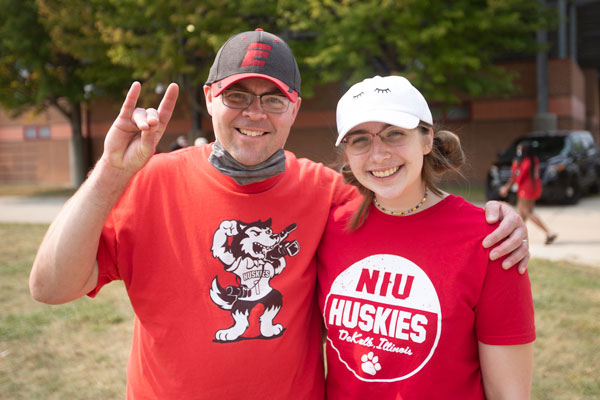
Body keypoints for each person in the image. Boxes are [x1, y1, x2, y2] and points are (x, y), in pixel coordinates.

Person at [29, 29, 530, 399]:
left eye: (273, 99)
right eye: (238, 96)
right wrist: (108, 179)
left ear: (294, 108)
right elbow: (50, 288)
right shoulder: (151, 182)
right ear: (209, 98)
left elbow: (411, 211)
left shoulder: (326, 193)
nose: (255, 113)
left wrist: (498, 218)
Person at [317, 75, 536, 399]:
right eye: (359, 140)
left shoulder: (490, 240)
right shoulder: (329, 228)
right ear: (346, 153)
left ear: (426, 139)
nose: (378, 155)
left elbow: (509, 394)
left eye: (394, 134)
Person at [500, 142, 557, 244]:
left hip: (526, 189)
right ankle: (518, 236)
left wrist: (506, 187)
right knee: (523, 214)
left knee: (526, 212)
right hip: (534, 187)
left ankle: (548, 232)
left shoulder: (524, 162)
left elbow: (517, 176)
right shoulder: (533, 160)